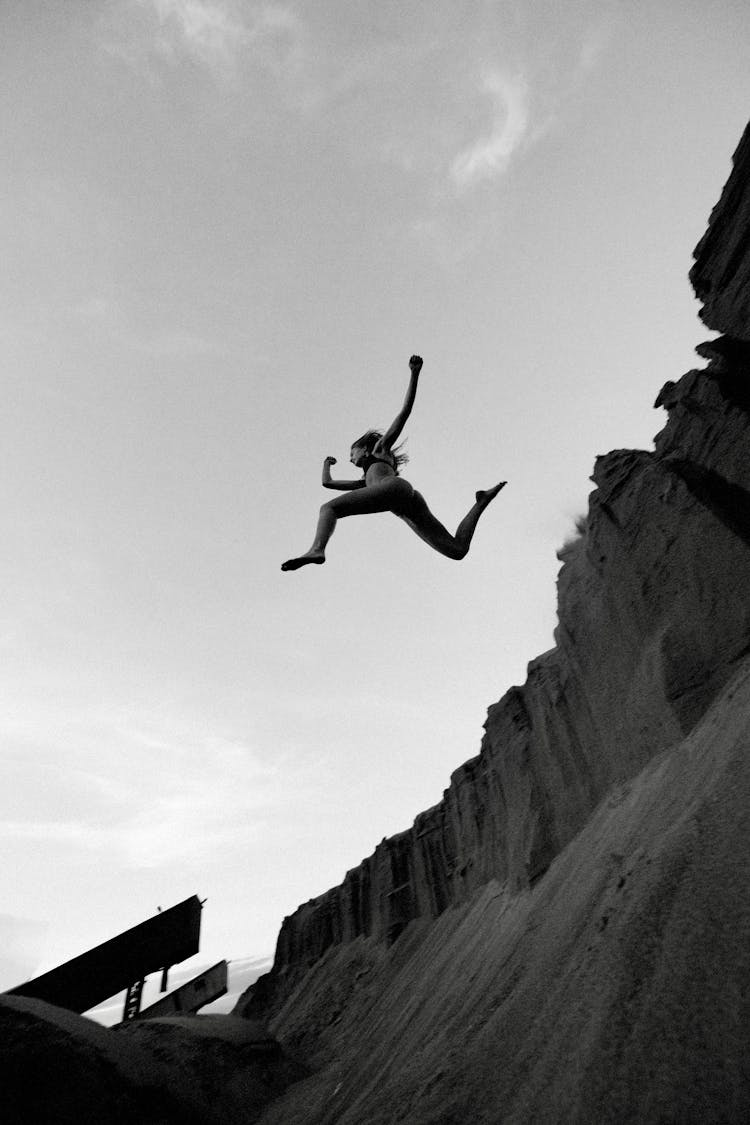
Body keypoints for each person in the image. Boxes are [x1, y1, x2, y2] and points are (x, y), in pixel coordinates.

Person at [281, 355, 505, 571]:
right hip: (407, 502)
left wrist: (414, 374)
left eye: (352, 453)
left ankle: (317, 549)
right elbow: (327, 484)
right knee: (457, 550)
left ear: (365, 447)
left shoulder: (379, 450)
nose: (350, 459)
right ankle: (481, 501)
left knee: (328, 508)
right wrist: (326, 464)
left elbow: (404, 413)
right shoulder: (365, 481)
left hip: (393, 489)